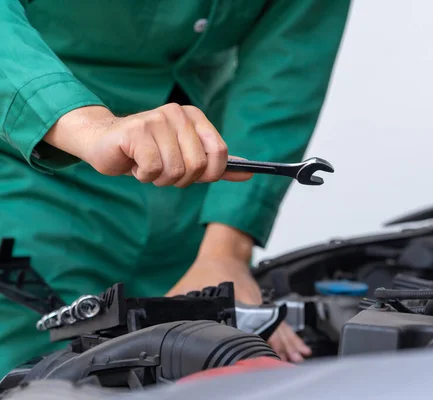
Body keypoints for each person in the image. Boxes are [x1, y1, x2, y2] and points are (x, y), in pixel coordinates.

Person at [0, 0, 351, 376]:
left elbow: (285, 67)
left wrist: (226, 249)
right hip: (31, 181)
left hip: (193, 195)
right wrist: (89, 127)